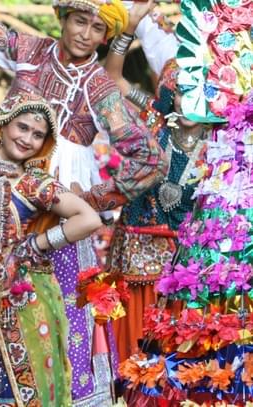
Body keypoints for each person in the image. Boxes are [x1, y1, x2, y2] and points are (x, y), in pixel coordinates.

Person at [0, 1, 168, 403]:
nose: (86, 33)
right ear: (62, 19)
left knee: (57, 318)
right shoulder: (29, 50)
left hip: (56, 217)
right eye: (79, 21)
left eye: (98, 28)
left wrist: (88, 198)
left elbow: (149, 159)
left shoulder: (100, 86)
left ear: (105, 37)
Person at [0, 34, 104, 405]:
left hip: (19, 305)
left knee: (18, 394)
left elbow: (88, 218)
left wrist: (37, 244)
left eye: (38, 135)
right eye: (22, 128)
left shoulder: (34, 183)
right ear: (4, 123)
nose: (28, 139)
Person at [103, 2, 209, 362]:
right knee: (132, 364)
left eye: (198, 90)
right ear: (168, 93)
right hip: (134, 267)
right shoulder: (154, 120)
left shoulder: (224, 147)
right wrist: (128, 28)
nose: (188, 100)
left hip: (184, 274)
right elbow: (113, 80)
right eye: (181, 90)